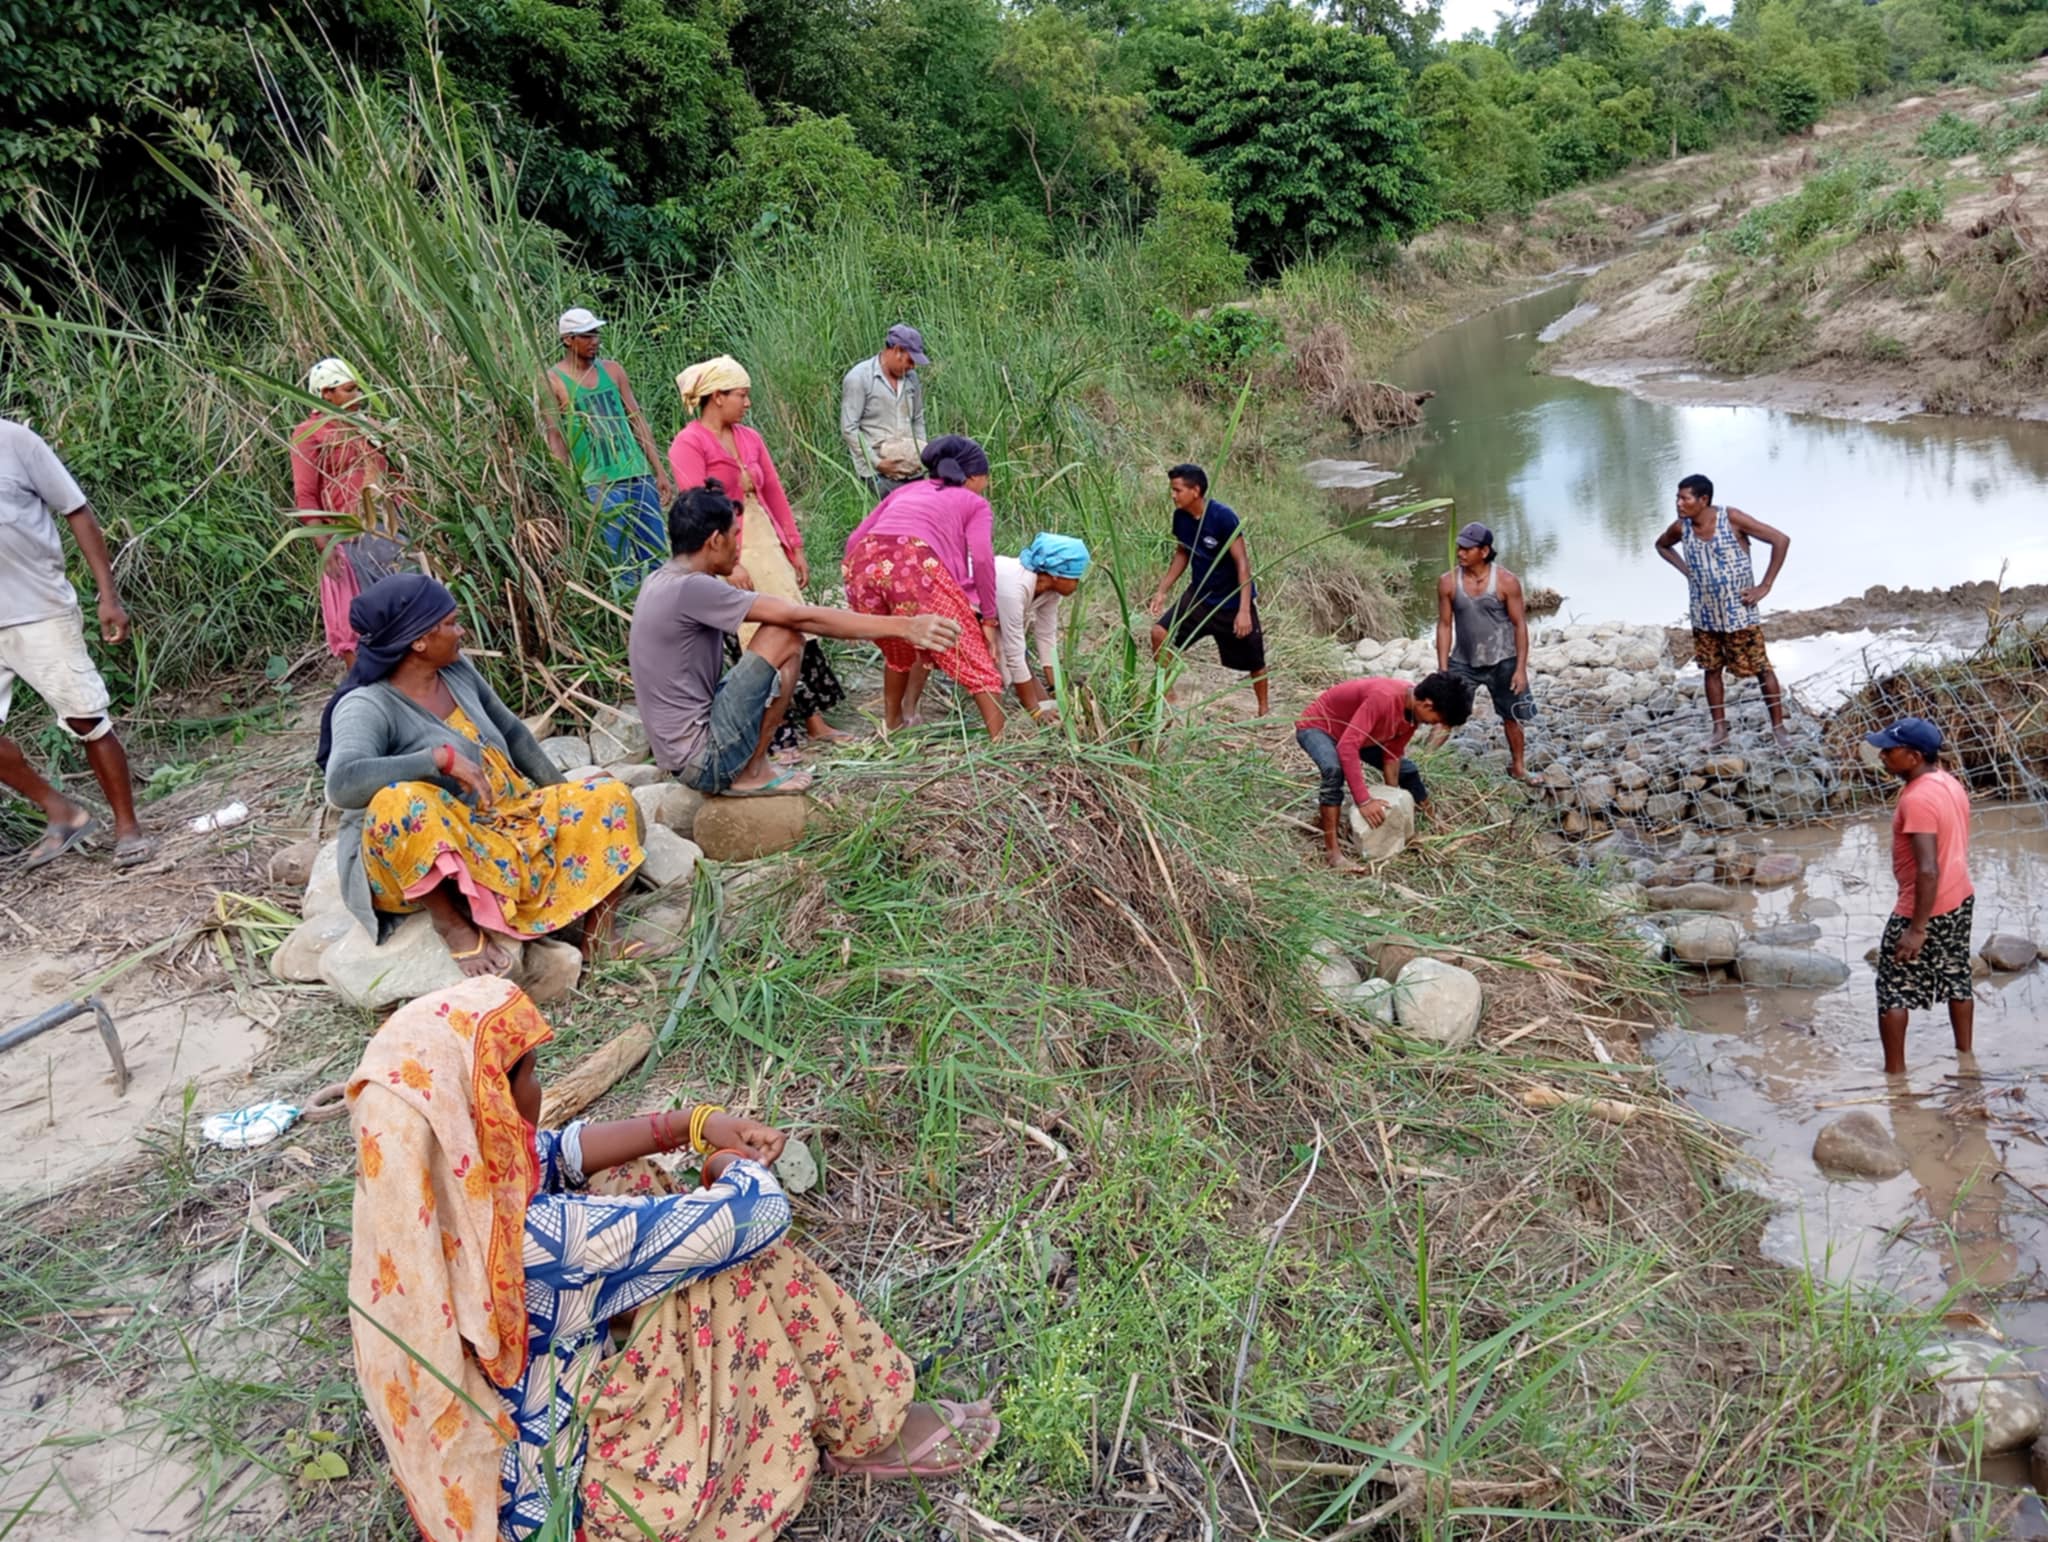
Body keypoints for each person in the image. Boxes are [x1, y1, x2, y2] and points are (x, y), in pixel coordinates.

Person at [349, 976, 998, 1542]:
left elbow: (558, 1153)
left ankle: (843, 1409)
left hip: (509, 1479)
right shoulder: (535, 1242)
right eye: (528, 1075)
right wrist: (723, 1168)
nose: (539, 1088)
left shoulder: (424, 1207)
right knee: (732, 1271)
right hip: (589, 1509)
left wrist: (690, 1124)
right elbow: (756, 1219)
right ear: (483, 1107)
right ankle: (867, 1430)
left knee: (626, 1185)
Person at [319, 574, 645, 975]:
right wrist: (436, 759)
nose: (461, 631)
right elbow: (342, 783)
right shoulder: (367, 705)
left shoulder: (455, 671)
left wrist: (567, 804)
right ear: (418, 641)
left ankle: (597, 936)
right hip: (420, 854)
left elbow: (513, 733)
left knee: (607, 795)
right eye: (451, 623)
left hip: (500, 824)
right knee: (400, 801)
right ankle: (451, 925)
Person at [632, 481, 963, 796]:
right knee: (785, 633)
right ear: (715, 540)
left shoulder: (662, 580)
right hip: (704, 763)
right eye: (736, 536)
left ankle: (752, 765)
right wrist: (906, 627)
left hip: (683, 757)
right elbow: (799, 616)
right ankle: (754, 770)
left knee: (781, 630)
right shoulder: (692, 588)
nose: (739, 547)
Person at [669, 356, 847, 752]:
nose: (747, 403)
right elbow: (696, 505)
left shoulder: (750, 438)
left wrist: (794, 546)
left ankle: (815, 720)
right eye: (741, 395)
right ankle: (774, 729)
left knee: (796, 620)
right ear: (716, 397)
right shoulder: (689, 443)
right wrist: (728, 566)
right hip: (727, 544)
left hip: (763, 537)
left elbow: (775, 495)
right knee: (753, 634)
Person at [0, 417, 152, 869]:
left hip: (40, 609)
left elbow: (76, 510)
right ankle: (63, 812)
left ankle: (128, 828)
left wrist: (108, 596)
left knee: (85, 717)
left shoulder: (15, 441)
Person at [842, 436, 1007, 738]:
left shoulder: (907, 490)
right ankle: (1002, 743)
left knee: (899, 649)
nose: (986, 484)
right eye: (985, 478)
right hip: (915, 565)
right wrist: (990, 619)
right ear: (972, 477)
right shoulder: (974, 502)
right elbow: (982, 558)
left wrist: (855, 603)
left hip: (863, 564)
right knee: (977, 660)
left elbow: (855, 539)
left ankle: (891, 726)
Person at [1653, 473, 1792, 751]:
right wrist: (1687, 571)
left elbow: (1780, 540)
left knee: (1761, 668)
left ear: (1703, 500)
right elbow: (1661, 545)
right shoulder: (1682, 529)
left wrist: (1764, 586)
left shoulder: (1731, 519)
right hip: (1704, 614)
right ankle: (1720, 730)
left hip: (1740, 613)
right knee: (1711, 669)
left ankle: (1779, 729)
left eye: (1685, 498)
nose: (1679, 504)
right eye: (1677, 498)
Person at [1868, 717, 1975, 1076]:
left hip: (1923, 907)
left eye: (1890, 750)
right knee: (1957, 975)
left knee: (1893, 989)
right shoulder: (1948, 783)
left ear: (1913, 756)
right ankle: (1966, 1058)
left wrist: (1916, 928)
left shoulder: (1918, 799)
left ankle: (1894, 1078)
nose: (1882, 755)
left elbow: (1928, 868)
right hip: (1960, 897)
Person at [541, 308, 676, 589]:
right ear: (568, 340)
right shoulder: (553, 381)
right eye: (586, 335)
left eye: (595, 334)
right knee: (620, 566)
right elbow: (556, 438)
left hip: (637, 474)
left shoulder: (612, 371)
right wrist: (567, 490)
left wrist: (658, 470)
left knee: (657, 558)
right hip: (598, 484)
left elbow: (636, 419)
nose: (594, 341)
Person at [289, 356, 409, 667]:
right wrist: (324, 544)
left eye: (358, 390)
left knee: (408, 608)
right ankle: (370, 689)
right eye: (349, 390)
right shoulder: (309, 434)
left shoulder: (367, 426)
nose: (358, 397)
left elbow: (393, 473)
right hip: (349, 536)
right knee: (360, 623)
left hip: (389, 529)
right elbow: (305, 493)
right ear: (326, 394)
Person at [1295, 673, 1473, 868]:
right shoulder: (1383, 698)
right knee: (1334, 770)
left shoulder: (1414, 711)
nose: (1434, 725)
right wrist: (1364, 801)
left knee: (1408, 770)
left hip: (1360, 735)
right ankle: (1333, 853)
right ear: (1428, 705)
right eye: (1436, 720)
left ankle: (1433, 819)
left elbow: (1392, 754)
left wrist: (1393, 799)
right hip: (1320, 727)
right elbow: (1347, 747)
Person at [1147, 463, 1268, 717]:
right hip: (1200, 595)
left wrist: (1244, 610)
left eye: (1177, 490)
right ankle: (1168, 694)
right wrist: (1162, 590)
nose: (1173, 495)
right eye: (1172, 490)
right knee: (1159, 633)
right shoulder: (1180, 516)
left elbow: (1243, 563)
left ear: (1196, 490)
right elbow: (1183, 552)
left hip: (1232, 600)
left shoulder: (1223, 517)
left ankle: (1263, 710)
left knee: (1255, 661)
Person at [1434, 522, 1535, 780]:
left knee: (1512, 716)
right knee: (1446, 713)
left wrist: (1520, 669)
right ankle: (1424, 763)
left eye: (1467, 549)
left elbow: (1519, 625)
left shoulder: (1506, 582)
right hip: (1463, 661)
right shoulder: (1448, 582)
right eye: (1459, 547)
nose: (1460, 553)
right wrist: (1443, 669)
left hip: (1503, 660)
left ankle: (1519, 767)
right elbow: (1445, 625)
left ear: (1484, 551)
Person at [994, 533, 1089, 723]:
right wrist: (1036, 711)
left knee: (1041, 695)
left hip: (997, 618)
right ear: (1056, 575)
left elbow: (1046, 637)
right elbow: (1014, 652)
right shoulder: (1014, 587)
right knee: (1000, 668)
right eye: (1075, 578)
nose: (1078, 584)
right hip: (969, 611)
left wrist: (1056, 690)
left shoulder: (1050, 591)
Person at [839, 324, 930, 498]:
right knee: (902, 509)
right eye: (910, 360)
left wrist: (921, 455)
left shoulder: (912, 379)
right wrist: (878, 463)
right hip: (876, 470)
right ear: (897, 351)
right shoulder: (859, 378)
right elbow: (849, 428)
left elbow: (918, 418)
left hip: (910, 466)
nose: (913, 367)